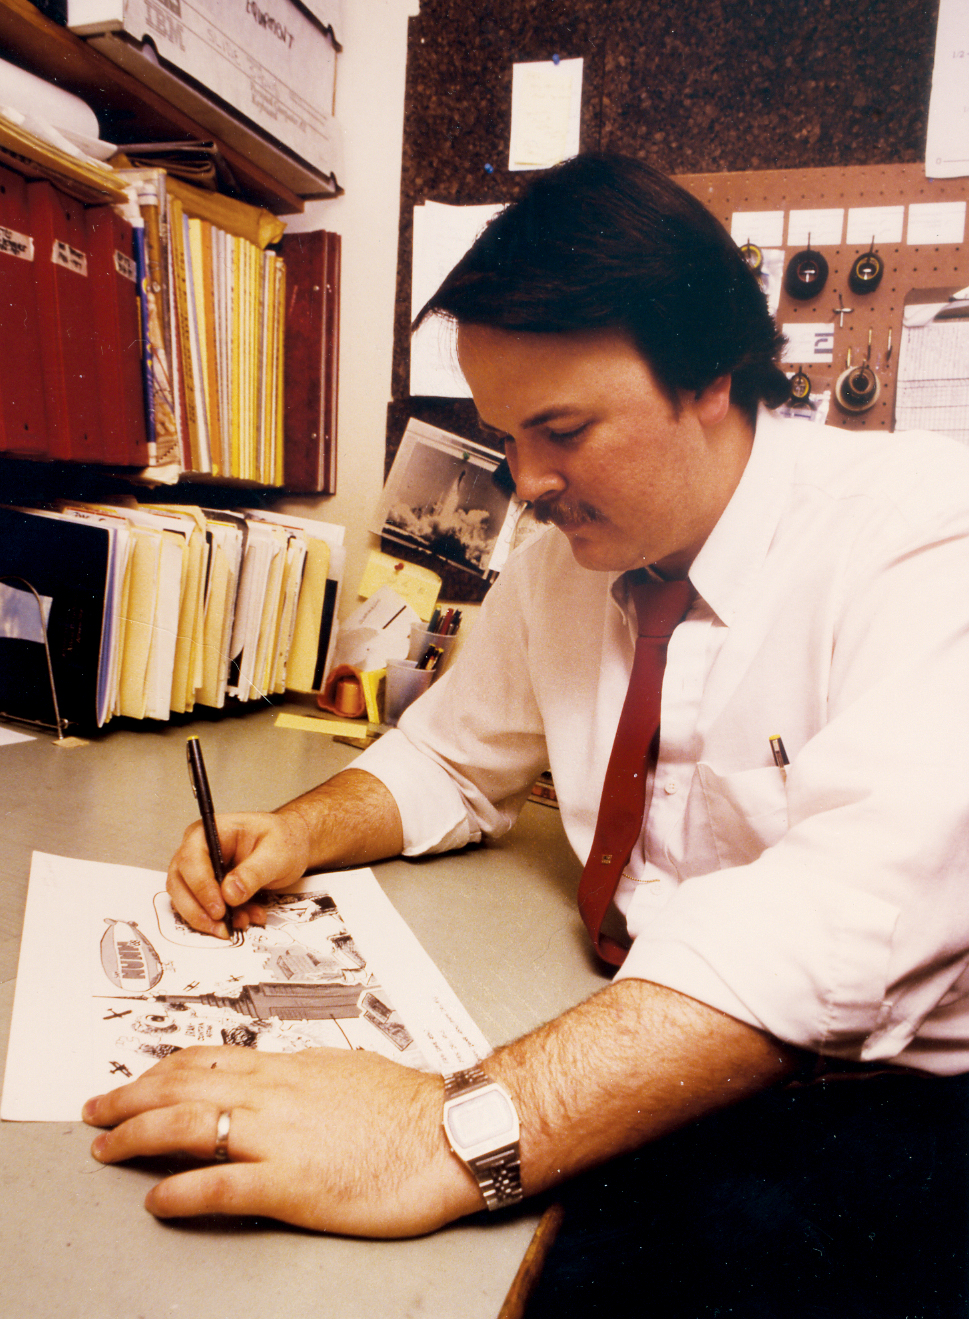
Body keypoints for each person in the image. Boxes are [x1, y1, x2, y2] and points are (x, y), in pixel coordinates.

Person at [82, 155, 969, 1316]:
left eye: (561, 428)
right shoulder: (564, 563)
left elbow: (834, 934)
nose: (528, 483)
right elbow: (450, 753)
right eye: (506, 434)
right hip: (645, 1032)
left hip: (884, 1109)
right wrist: (299, 829)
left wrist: (440, 1131)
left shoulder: (924, 540)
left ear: (711, 374)